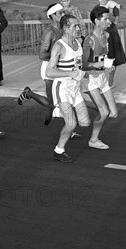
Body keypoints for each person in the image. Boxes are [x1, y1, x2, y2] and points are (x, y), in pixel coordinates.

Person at [45, 15, 91, 163]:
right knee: (71, 124)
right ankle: (59, 151)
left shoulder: (78, 42)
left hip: (75, 88)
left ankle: (58, 112)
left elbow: (79, 65)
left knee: (84, 122)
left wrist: (88, 72)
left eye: (78, 26)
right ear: (66, 28)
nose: (78, 29)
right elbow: (49, 72)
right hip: (62, 88)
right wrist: (69, 73)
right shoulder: (59, 46)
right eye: (75, 26)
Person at [81, 6, 119, 150]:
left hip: (102, 77)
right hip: (90, 79)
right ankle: (93, 140)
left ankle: (82, 104)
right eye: (105, 19)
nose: (109, 22)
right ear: (96, 21)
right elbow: (83, 65)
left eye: (109, 19)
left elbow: (104, 56)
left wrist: (109, 65)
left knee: (113, 113)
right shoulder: (89, 40)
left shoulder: (107, 36)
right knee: (104, 112)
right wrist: (100, 64)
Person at [95, 0, 126, 87]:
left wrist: (108, 13)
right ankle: (102, 80)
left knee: (113, 58)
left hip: (112, 34)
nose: (102, 0)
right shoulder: (96, 8)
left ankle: (110, 80)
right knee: (101, 58)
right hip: (101, 33)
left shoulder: (114, 7)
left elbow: (116, 21)